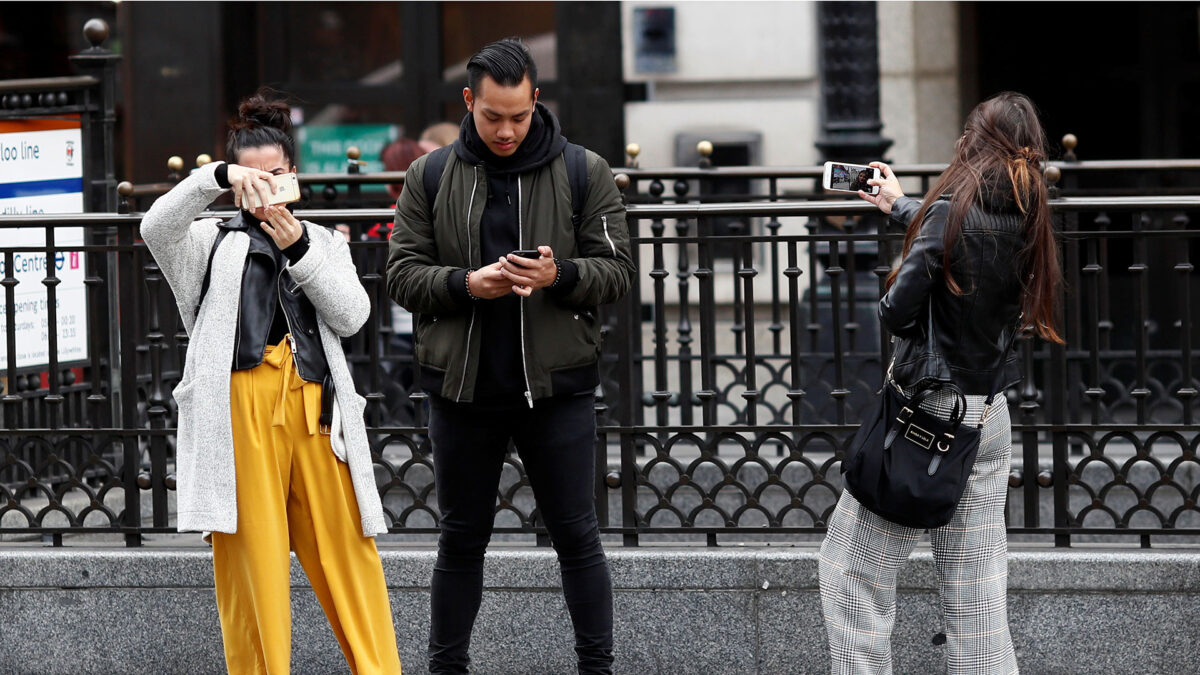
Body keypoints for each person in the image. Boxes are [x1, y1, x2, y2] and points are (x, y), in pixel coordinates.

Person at [386, 38, 635, 674]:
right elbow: (401, 275)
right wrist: (466, 284)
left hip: (556, 390)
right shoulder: (432, 174)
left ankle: (597, 668)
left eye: (519, 116)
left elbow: (618, 272)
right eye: (492, 115)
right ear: (469, 102)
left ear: (536, 101)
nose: (505, 129)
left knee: (577, 537)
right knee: (461, 539)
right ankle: (447, 668)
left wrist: (561, 276)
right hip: (463, 391)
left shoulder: (584, 170)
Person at [141, 91, 402, 675]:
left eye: (277, 175)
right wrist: (216, 176)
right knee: (252, 567)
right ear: (234, 184)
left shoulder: (324, 241)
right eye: (252, 179)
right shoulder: (206, 240)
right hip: (238, 411)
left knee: (349, 556)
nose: (266, 189)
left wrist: (298, 246)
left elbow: (352, 316)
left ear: (295, 174)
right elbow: (155, 225)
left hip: (315, 410)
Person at [818, 91, 1062, 675]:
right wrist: (902, 205)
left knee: (851, 571)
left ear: (971, 143)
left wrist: (912, 238)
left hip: (926, 422)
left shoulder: (951, 210)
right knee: (976, 590)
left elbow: (897, 311)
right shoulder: (1029, 210)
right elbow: (960, 236)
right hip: (987, 416)